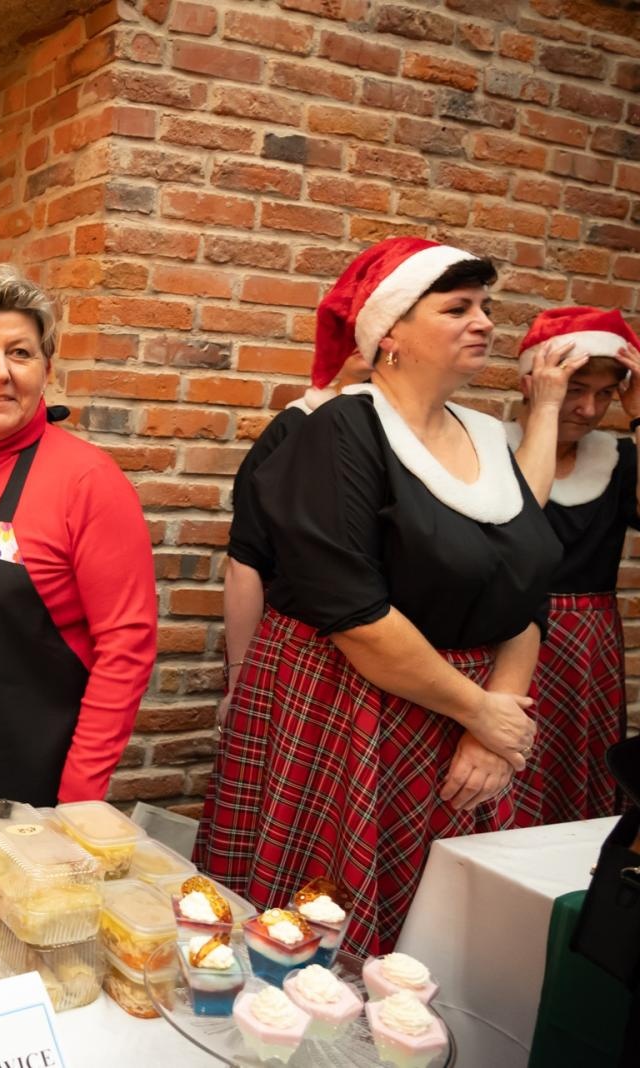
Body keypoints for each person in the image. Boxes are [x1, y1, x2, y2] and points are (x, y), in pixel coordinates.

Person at [194, 237, 560, 959]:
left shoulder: (490, 438)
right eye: (457, 308)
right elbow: (355, 614)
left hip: (465, 722)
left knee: (434, 942)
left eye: (486, 307)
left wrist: (495, 722)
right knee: (321, 934)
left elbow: (526, 588)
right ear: (390, 333)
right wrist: (478, 709)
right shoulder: (339, 432)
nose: (484, 322)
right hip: (354, 708)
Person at [0, 265, 155, 887]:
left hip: (27, 785)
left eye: (20, 353)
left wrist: (76, 804)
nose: (1, 372)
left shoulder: (88, 482)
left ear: (47, 368)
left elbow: (126, 648)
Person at [507, 306, 640, 821]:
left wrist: (639, 416)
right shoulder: (486, 447)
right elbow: (517, 518)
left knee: (577, 772)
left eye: (605, 394)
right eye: (575, 388)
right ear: (533, 381)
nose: (589, 409)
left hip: (590, 644)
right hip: (509, 631)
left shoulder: (618, 458)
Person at [222, 352, 372, 726]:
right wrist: (240, 680)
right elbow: (246, 559)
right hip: (306, 653)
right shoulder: (294, 427)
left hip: (392, 659)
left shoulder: (415, 439)